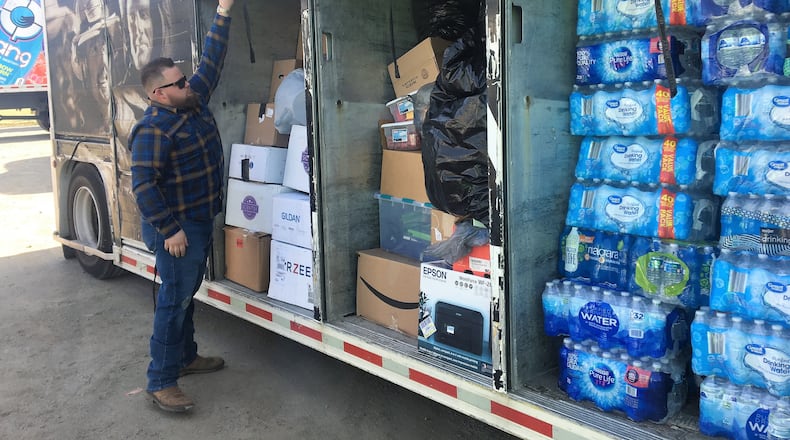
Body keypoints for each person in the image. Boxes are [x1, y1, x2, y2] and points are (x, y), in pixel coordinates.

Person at [128, 0, 234, 413]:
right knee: (173, 299)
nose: (188, 83)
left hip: (199, 220)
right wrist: (170, 230)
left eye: (185, 78)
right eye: (179, 82)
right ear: (159, 93)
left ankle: (186, 357)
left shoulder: (191, 100)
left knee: (187, 292)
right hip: (176, 228)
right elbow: (144, 187)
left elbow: (213, 59)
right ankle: (161, 380)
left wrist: (223, 11)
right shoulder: (153, 129)